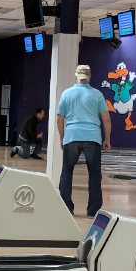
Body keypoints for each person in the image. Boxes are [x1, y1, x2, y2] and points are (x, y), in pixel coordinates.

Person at [57, 65, 112, 218]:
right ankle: (93, 210)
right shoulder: (97, 94)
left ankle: (66, 208)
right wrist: (107, 139)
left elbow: (59, 118)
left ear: (76, 76)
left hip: (72, 136)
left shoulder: (66, 94)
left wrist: (62, 138)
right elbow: (106, 118)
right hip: (92, 137)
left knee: (66, 172)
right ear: (90, 77)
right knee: (94, 174)